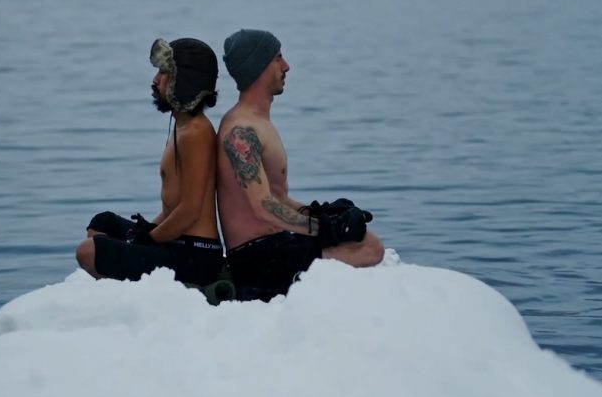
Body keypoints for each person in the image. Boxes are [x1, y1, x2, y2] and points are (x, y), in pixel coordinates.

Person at [217, 29, 385, 302]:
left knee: (364, 240)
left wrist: (323, 216)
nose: (287, 66)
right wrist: (327, 230)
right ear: (258, 66)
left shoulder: (257, 121)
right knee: (370, 248)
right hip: (258, 258)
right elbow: (263, 208)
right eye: (278, 58)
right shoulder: (241, 130)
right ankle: (293, 285)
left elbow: (278, 198)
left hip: (272, 245)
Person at [76, 37, 224, 288]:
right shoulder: (182, 127)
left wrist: (147, 241)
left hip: (195, 255)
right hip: (177, 242)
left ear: (184, 81)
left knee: (87, 252)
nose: (156, 80)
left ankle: (135, 295)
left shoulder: (197, 132)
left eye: (164, 73)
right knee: (105, 223)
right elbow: (171, 209)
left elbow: (190, 211)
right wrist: (144, 232)